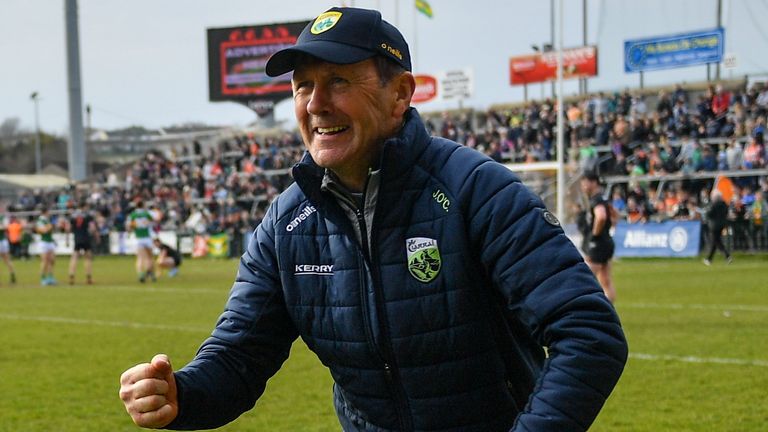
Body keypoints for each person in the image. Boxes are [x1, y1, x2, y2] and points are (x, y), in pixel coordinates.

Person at [119, 7, 627, 432]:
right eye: (302, 86)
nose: (316, 103)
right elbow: (238, 357)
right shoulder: (286, 223)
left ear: (401, 94)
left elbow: (587, 331)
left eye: (338, 81)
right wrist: (179, 394)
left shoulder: (477, 189)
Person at [579, 171, 617, 302]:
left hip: (598, 243)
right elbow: (614, 214)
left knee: (584, 279)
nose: (583, 185)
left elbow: (601, 217)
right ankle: (609, 312)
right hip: (606, 242)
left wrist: (594, 236)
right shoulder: (603, 198)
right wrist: (610, 228)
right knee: (605, 280)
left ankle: (584, 309)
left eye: (585, 182)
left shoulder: (596, 199)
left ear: (594, 182)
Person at [66, 202, 99, 285]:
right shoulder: (87, 216)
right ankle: (88, 278)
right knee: (87, 258)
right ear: (85, 206)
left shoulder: (73, 216)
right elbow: (92, 228)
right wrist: (96, 236)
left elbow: (68, 228)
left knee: (74, 258)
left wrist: (67, 239)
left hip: (77, 238)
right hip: (85, 238)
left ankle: (71, 276)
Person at [128, 200, 155, 283]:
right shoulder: (146, 214)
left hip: (138, 238)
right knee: (149, 257)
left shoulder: (133, 215)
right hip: (147, 237)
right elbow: (152, 222)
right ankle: (150, 273)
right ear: (143, 205)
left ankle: (140, 274)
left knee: (140, 258)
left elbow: (130, 227)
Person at [703, 190, 732, 265]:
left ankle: (727, 255)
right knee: (715, 241)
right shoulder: (724, 204)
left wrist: (706, 212)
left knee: (716, 241)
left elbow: (709, 214)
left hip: (714, 226)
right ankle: (709, 259)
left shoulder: (713, 205)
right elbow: (726, 213)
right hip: (722, 224)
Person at [35, 207, 57, 286]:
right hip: (44, 242)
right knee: (44, 261)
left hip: (50, 241)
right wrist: (50, 226)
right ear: (45, 212)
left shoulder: (47, 220)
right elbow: (42, 230)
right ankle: (43, 278)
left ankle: (50, 277)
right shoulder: (41, 220)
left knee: (52, 260)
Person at [0, 209, 17, 284]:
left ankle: (12, 275)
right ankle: (12, 275)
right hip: (3, 241)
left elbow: (5, 227)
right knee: (7, 260)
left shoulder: (3, 218)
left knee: (7, 259)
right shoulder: (3, 218)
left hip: (2, 241)